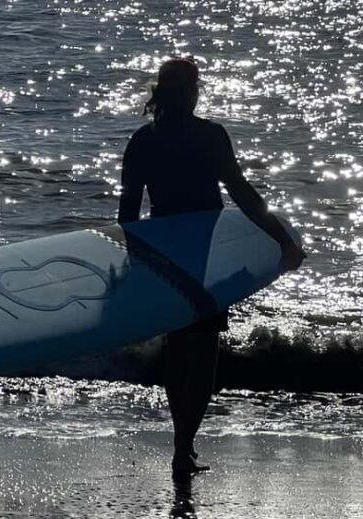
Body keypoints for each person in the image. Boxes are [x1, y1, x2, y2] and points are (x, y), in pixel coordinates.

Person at [118, 58, 304, 477]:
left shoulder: (142, 142)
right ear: (194, 92)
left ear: (159, 93)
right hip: (205, 255)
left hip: (163, 256)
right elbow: (241, 193)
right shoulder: (210, 136)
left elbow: (128, 213)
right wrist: (283, 240)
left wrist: (134, 267)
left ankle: (182, 445)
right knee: (202, 356)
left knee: (179, 349)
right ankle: (183, 447)